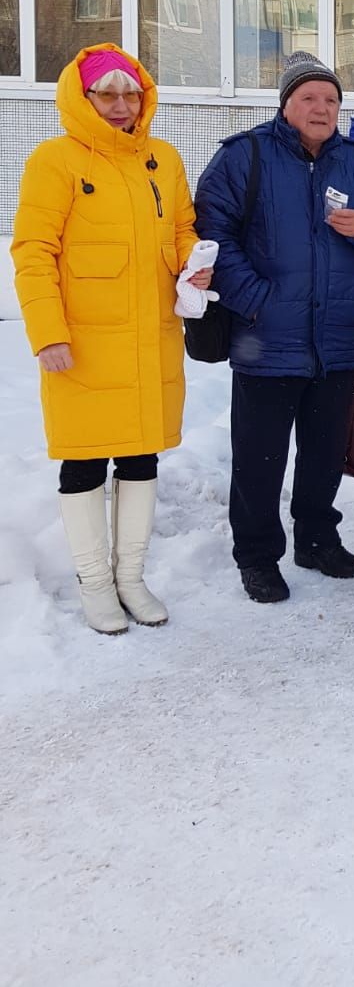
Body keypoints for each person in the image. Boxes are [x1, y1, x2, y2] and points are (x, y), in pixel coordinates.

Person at [12, 44, 212, 635]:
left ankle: (131, 577)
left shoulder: (163, 159)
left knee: (140, 455)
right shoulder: (56, 160)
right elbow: (33, 252)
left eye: (131, 93)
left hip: (150, 336)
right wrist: (47, 333)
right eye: (108, 94)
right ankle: (95, 583)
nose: (122, 105)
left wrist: (192, 263)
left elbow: (181, 227)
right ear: (84, 97)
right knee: (83, 461)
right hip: (82, 342)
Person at [194, 51, 354, 605]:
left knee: (324, 450)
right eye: (309, 98)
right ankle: (258, 556)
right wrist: (255, 300)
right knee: (259, 458)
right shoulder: (246, 156)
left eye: (331, 99)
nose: (322, 108)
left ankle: (316, 538)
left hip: (335, 338)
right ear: (285, 104)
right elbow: (213, 233)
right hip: (267, 336)